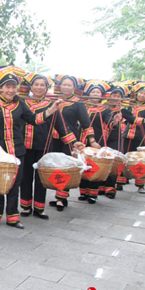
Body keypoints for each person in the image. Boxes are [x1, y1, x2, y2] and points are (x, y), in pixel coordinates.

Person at [0, 67, 58, 228]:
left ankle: (13, 216)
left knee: (14, 183)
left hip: (17, 151)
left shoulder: (20, 104)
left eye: (14, 87)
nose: (11, 90)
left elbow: (34, 120)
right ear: (0, 88)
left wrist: (50, 111)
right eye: (7, 86)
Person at [48, 75, 95, 211]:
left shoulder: (78, 103)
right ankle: (58, 195)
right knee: (55, 167)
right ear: (60, 86)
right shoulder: (53, 100)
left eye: (69, 85)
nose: (66, 87)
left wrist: (92, 140)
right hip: (53, 138)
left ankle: (61, 198)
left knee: (66, 168)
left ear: (74, 87)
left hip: (70, 140)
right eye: (64, 85)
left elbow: (86, 123)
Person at [19, 73, 54, 219]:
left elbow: (58, 124)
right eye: (36, 84)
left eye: (42, 85)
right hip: (24, 146)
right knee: (25, 177)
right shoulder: (22, 103)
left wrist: (72, 141)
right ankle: (26, 206)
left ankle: (39, 207)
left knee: (41, 178)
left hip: (43, 145)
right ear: (31, 87)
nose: (39, 87)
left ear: (46, 88)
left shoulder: (51, 105)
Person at [77, 80, 112, 204]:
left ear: (101, 95)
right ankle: (83, 192)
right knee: (83, 164)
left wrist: (115, 121)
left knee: (95, 166)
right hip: (82, 139)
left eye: (98, 92)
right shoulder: (82, 106)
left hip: (96, 140)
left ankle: (93, 193)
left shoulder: (105, 109)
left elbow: (109, 122)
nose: (95, 94)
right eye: (93, 91)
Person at [101, 82, 136, 198]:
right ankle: (101, 187)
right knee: (102, 161)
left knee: (114, 162)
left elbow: (133, 119)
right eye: (114, 95)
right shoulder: (101, 107)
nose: (115, 98)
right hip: (101, 138)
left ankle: (110, 188)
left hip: (115, 139)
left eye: (118, 96)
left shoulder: (122, 110)